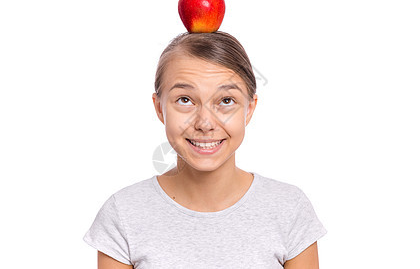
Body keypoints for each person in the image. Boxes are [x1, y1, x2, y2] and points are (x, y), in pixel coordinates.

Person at [83, 31, 327, 269]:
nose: (205, 123)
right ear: (159, 108)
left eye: (226, 101)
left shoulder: (290, 209)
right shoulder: (124, 214)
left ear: (249, 109)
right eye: (185, 100)